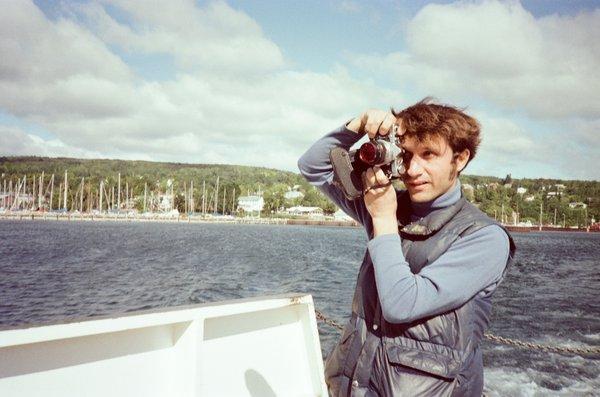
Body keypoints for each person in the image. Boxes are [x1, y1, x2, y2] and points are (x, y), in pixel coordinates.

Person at [298, 98, 516, 396]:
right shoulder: (386, 204)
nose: (413, 169)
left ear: (460, 158)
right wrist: (357, 126)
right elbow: (313, 166)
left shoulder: (484, 238)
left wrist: (384, 220)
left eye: (429, 154)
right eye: (407, 154)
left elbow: (402, 304)